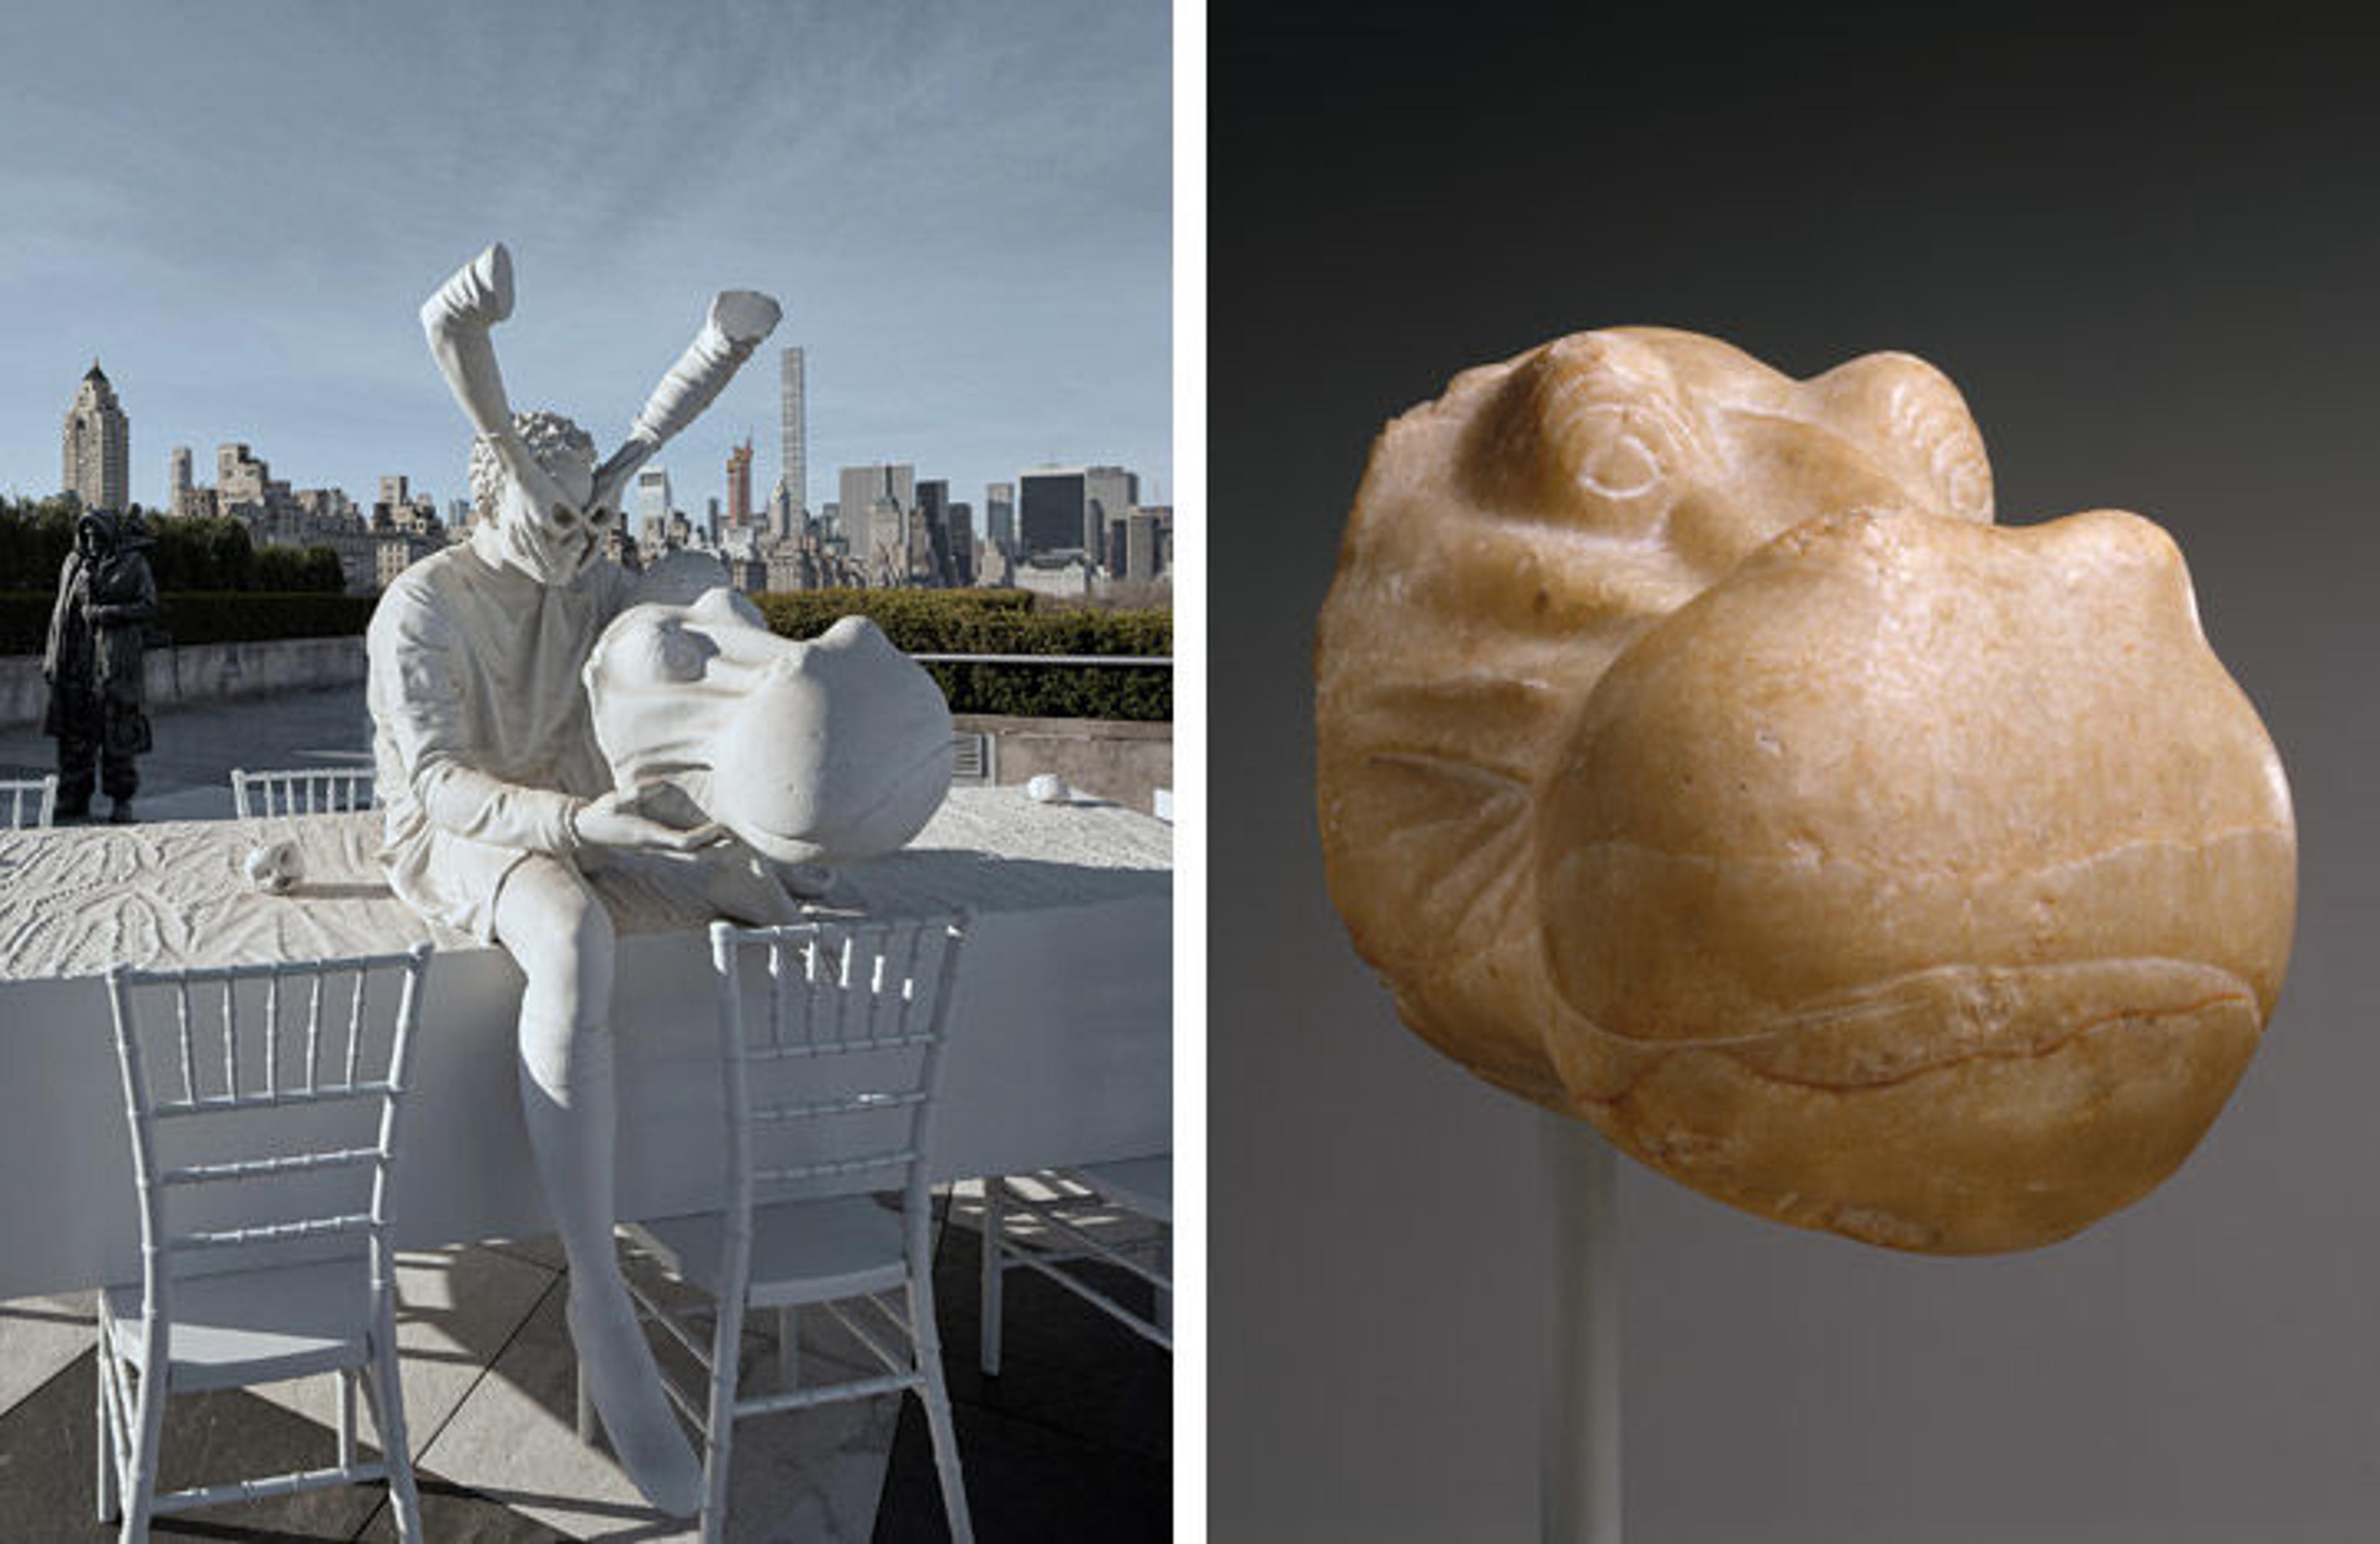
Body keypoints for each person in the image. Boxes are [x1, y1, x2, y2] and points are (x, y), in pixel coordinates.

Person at [368, 244, 784, 1517]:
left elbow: (677, 614)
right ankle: (597, 1286)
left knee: (759, 886)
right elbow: (438, 784)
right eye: (549, 498)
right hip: (468, 836)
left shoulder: (593, 571)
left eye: (589, 502)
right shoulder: (422, 603)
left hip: (581, 810)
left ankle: (753, 1177)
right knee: (568, 933)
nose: (577, 525)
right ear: (488, 489)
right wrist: (574, 821)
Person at [42, 508, 157, 823]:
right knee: (74, 736)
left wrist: (107, 613)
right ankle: (73, 799)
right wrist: (54, 657)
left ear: (109, 534)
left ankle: (121, 799)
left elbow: (149, 605)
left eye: (97, 536)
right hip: (76, 660)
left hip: (114, 661)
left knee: (118, 734)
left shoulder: (133, 563)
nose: (92, 542)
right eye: (87, 536)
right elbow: (60, 613)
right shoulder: (73, 564)